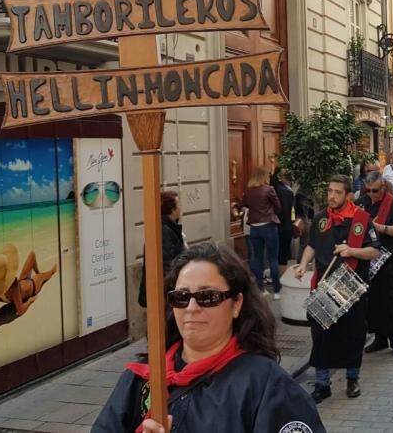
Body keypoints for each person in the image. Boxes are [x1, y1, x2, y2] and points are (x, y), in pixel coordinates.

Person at [92, 244, 325, 433]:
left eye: (208, 296)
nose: (191, 307)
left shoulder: (266, 386)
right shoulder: (141, 378)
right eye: (181, 296)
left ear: (237, 304)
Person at [295, 175, 381, 403]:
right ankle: (323, 384)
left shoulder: (361, 220)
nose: (331, 196)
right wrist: (304, 264)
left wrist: (352, 251)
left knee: (352, 335)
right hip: (324, 285)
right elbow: (312, 244)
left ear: (348, 195)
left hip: (351, 286)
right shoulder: (321, 218)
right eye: (329, 191)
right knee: (321, 337)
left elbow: (375, 251)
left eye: (337, 192)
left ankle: (353, 379)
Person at [357, 171, 393, 358]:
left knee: (392, 302)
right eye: (368, 190)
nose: (372, 194)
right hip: (369, 262)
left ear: (383, 186)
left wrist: (379, 227)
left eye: (375, 190)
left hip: (390, 261)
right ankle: (380, 339)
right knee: (374, 303)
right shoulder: (361, 203)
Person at [0, 244, 57, 324]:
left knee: (32, 255)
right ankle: (50, 271)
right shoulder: (13, 284)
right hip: (32, 286)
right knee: (44, 275)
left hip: (21, 285)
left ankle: (37, 273)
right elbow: (21, 311)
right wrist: (30, 301)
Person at [138, 191, 186, 308]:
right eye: (178, 205)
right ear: (172, 210)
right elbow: (165, 266)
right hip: (166, 293)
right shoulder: (164, 231)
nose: (180, 208)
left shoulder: (169, 228)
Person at [242, 167, 282, 299]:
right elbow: (278, 207)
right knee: (273, 259)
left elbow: (245, 204)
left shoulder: (248, 191)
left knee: (257, 259)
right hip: (269, 226)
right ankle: (276, 291)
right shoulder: (269, 189)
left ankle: (261, 289)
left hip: (254, 227)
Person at [272, 170, 296, 266]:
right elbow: (292, 210)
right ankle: (281, 273)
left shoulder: (273, 190)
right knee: (283, 254)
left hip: (274, 225)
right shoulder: (289, 192)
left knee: (274, 254)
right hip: (287, 226)